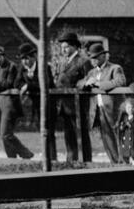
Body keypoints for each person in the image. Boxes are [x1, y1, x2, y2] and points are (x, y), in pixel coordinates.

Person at [0, 45, 34, 160]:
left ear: (3, 56)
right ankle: (11, 159)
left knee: (5, 133)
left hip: (9, 103)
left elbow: (9, 84)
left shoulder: (11, 67)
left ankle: (25, 153)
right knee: (4, 135)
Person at [77, 41, 125, 164]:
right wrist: (86, 83)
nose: (93, 60)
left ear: (104, 56)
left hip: (114, 109)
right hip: (98, 109)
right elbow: (79, 83)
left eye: (96, 57)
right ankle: (114, 162)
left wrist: (98, 84)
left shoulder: (115, 68)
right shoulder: (92, 72)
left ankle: (123, 162)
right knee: (106, 137)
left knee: (118, 136)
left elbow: (120, 82)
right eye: (91, 58)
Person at [53, 32, 91, 162]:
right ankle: (71, 160)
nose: (63, 50)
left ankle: (85, 161)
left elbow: (88, 79)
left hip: (77, 105)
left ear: (75, 46)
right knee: (68, 135)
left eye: (67, 47)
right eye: (62, 47)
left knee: (81, 134)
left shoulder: (83, 61)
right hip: (64, 105)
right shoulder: (62, 62)